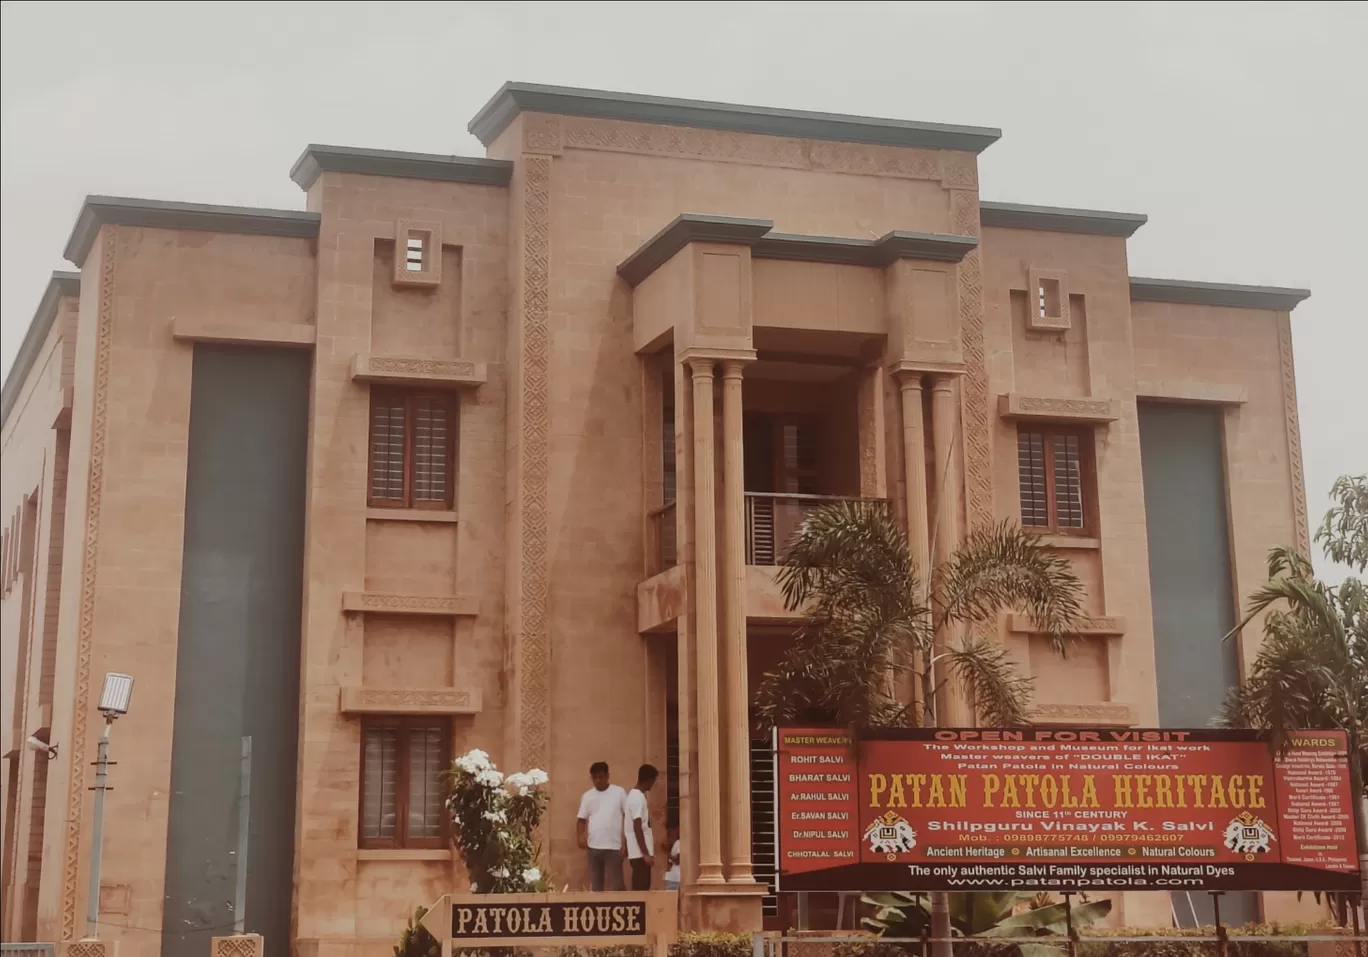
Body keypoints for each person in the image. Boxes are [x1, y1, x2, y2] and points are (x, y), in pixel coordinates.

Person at [576, 761, 626, 891]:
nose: (597, 781)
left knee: (617, 884)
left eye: (600, 777)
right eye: (594, 778)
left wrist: (625, 842)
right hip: (594, 847)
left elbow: (628, 817)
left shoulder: (619, 792)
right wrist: (580, 837)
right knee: (596, 886)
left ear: (607, 776)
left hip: (614, 847)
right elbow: (581, 819)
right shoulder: (587, 796)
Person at [624, 764, 659, 890]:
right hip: (639, 854)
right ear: (649, 780)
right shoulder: (637, 797)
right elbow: (637, 826)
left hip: (638, 852)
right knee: (641, 888)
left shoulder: (635, 796)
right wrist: (645, 853)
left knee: (643, 886)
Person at [663, 823, 681, 892]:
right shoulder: (675, 844)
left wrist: (666, 852)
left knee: (671, 897)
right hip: (673, 875)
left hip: (676, 876)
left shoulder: (678, 842)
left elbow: (677, 861)